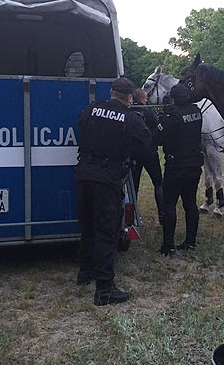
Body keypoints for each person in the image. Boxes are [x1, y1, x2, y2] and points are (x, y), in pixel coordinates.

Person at [75, 77, 151, 306]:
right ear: (130, 98)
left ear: (111, 92)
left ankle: (85, 273)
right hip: (107, 179)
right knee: (107, 232)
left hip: (84, 174)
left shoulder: (92, 108)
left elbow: (80, 125)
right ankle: (104, 289)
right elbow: (146, 143)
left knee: (87, 227)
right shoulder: (130, 118)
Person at [156, 83, 204, 256]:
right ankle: (190, 241)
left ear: (174, 99)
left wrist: (162, 117)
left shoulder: (173, 117)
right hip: (194, 165)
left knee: (169, 205)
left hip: (176, 166)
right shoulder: (196, 112)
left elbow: (159, 137)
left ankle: (168, 245)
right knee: (190, 203)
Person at [130, 88, 165, 224]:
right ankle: (162, 214)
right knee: (158, 183)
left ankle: (132, 215)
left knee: (134, 186)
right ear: (142, 99)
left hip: (134, 153)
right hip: (150, 152)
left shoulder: (130, 112)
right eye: (145, 98)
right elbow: (159, 129)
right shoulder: (150, 112)